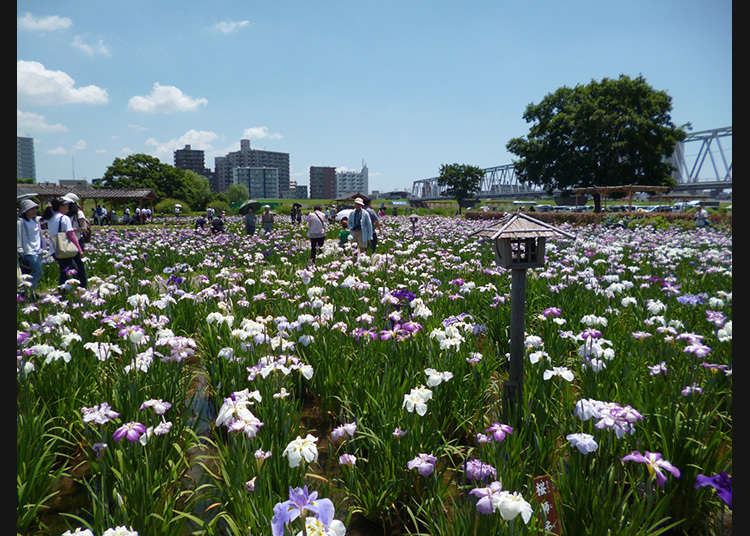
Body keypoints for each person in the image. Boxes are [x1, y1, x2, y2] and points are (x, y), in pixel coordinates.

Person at [47, 196, 87, 290]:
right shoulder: (64, 218)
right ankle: (67, 290)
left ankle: (63, 289)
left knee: (64, 269)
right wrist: (79, 249)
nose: (68, 207)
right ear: (60, 207)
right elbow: (71, 235)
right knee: (72, 269)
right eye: (65, 205)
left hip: (55, 248)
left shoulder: (51, 218)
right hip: (64, 248)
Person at [17, 199, 45, 299]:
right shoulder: (20, 222)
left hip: (38, 250)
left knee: (30, 274)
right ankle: (26, 291)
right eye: (31, 209)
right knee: (38, 272)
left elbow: (39, 235)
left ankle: (29, 292)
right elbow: (18, 235)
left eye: (35, 208)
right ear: (25, 210)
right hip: (28, 251)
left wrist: (43, 247)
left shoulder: (35, 221)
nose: (34, 211)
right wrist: (19, 248)